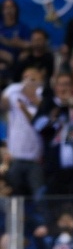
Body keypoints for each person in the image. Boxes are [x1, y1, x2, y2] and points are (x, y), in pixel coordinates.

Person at [1, 65, 44, 197]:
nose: (27, 80)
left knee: (39, 197)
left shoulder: (43, 94)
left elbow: (41, 120)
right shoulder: (14, 90)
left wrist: (32, 100)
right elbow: (2, 106)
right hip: (15, 158)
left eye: (32, 78)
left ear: (40, 79)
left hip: (35, 159)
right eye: (25, 77)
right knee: (14, 196)